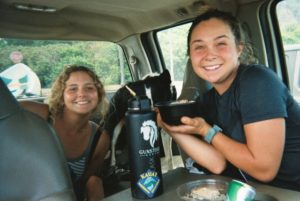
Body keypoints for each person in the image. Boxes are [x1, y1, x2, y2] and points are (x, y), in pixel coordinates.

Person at [157, 9, 300, 191]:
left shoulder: (258, 82)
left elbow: (265, 170)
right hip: (254, 190)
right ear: (190, 55)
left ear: (239, 48)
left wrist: (206, 130)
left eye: (221, 43)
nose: (210, 55)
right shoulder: (207, 101)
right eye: (199, 47)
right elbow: (217, 164)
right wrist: (172, 129)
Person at [20, 65, 110, 200]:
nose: (82, 94)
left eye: (89, 88)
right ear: (61, 95)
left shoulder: (100, 139)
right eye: (73, 88)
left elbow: (81, 185)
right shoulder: (38, 114)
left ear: (98, 94)